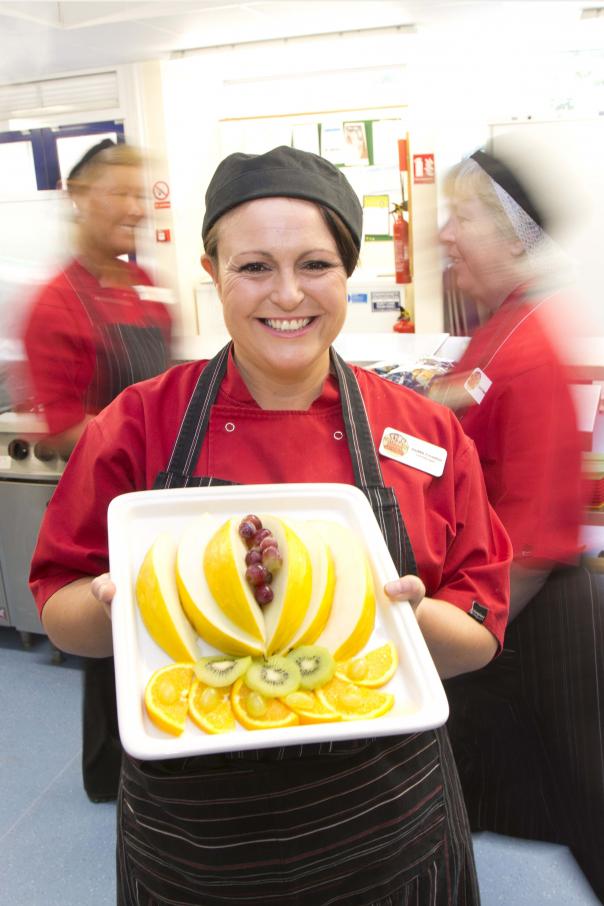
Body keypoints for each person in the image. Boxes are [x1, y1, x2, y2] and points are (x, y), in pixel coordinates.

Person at [30, 145, 512, 905]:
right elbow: (60, 616)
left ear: (347, 273)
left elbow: (480, 632)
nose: (287, 293)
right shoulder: (136, 423)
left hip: (388, 829)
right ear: (211, 270)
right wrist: (116, 607)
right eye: (253, 266)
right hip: (196, 844)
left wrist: (404, 618)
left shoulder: (426, 434)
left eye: (315, 264)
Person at [436, 147, 604, 902]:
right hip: (504, 610)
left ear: (515, 237)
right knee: (451, 795)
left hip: (531, 619)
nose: (444, 232)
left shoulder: (528, 347)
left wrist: (464, 641)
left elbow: (531, 542)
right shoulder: (503, 325)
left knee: (589, 800)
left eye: (461, 215)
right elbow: (467, 397)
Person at [21, 138, 173, 803]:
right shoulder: (55, 305)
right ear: (78, 197)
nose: (135, 208)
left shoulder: (144, 287)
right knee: (114, 640)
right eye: (120, 191)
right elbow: (57, 427)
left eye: (142, 193)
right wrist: (141, 436)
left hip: (162, 492)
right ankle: (119, 779)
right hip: (102, 507)